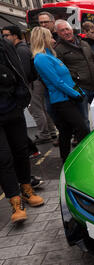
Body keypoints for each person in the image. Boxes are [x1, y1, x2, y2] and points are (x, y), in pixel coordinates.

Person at [1, 36, 45, 223]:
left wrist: (21, 97)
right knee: (3, 158)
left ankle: (26, 188)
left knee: (20, 150)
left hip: (12, 109)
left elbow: (19, 71)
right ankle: (15, 200)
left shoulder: (4, 45)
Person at [31, 27, 89, 163]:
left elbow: (66, 79)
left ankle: (66, 160)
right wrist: (75, 94)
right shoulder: (41, 58)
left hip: (68, 97)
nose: (53, 39)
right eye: (50, 37)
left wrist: (78, 91)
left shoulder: (50, 55)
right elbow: (57, 81)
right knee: (81, 129)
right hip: (62, 100)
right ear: (43, 39)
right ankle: (81, 158)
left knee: (65, 131)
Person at [55, 20, 94, 130]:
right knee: (84, 120)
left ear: (72, 30)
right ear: (58, 33)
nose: (66, 32)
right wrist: (75, 79)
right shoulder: (58, 49)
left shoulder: (84, 43)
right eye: (62, 30)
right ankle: (87, 144)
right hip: (79, 88)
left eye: (67, 29)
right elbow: (61, 71)